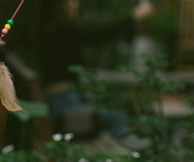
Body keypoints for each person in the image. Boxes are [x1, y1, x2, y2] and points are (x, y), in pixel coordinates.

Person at [38, 0, 155, 138]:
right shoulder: (62, 32)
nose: (75, 4)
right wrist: (134, 16)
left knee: (113, 113)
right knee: (118, 118)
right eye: (70, 1)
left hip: (60, 100)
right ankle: (118, 156)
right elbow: (99, 36)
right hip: (66, 103)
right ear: (58, 5)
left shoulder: (49, 30)